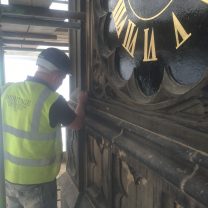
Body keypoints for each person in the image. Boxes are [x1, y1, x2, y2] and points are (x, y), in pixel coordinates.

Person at [1, 48, 88, 208]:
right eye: (61, 79)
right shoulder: (53, 100)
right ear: (56, 75)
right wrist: (81, 102)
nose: (60, 83)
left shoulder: (7, 90)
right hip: (38, 183)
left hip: (8, 177)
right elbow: (77, 124)